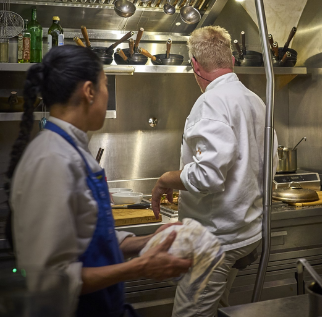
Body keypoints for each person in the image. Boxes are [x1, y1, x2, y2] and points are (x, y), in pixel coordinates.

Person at [7, 45, 192, 317]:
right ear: (89, 91)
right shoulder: (51, 160)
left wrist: (147, 242)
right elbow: (48, 278)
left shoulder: (76, 152)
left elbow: (90, 237)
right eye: (106, 84)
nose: (107, 94)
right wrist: (139, 267)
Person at [151, 26, 278, 316]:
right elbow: (270, 162)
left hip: (217, 240)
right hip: (247, 232)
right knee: (218, 309)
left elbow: (207, 175)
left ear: (194, 64)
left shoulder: (211, 102)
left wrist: (166, 179)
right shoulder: (254, 100)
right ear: (231, 60)